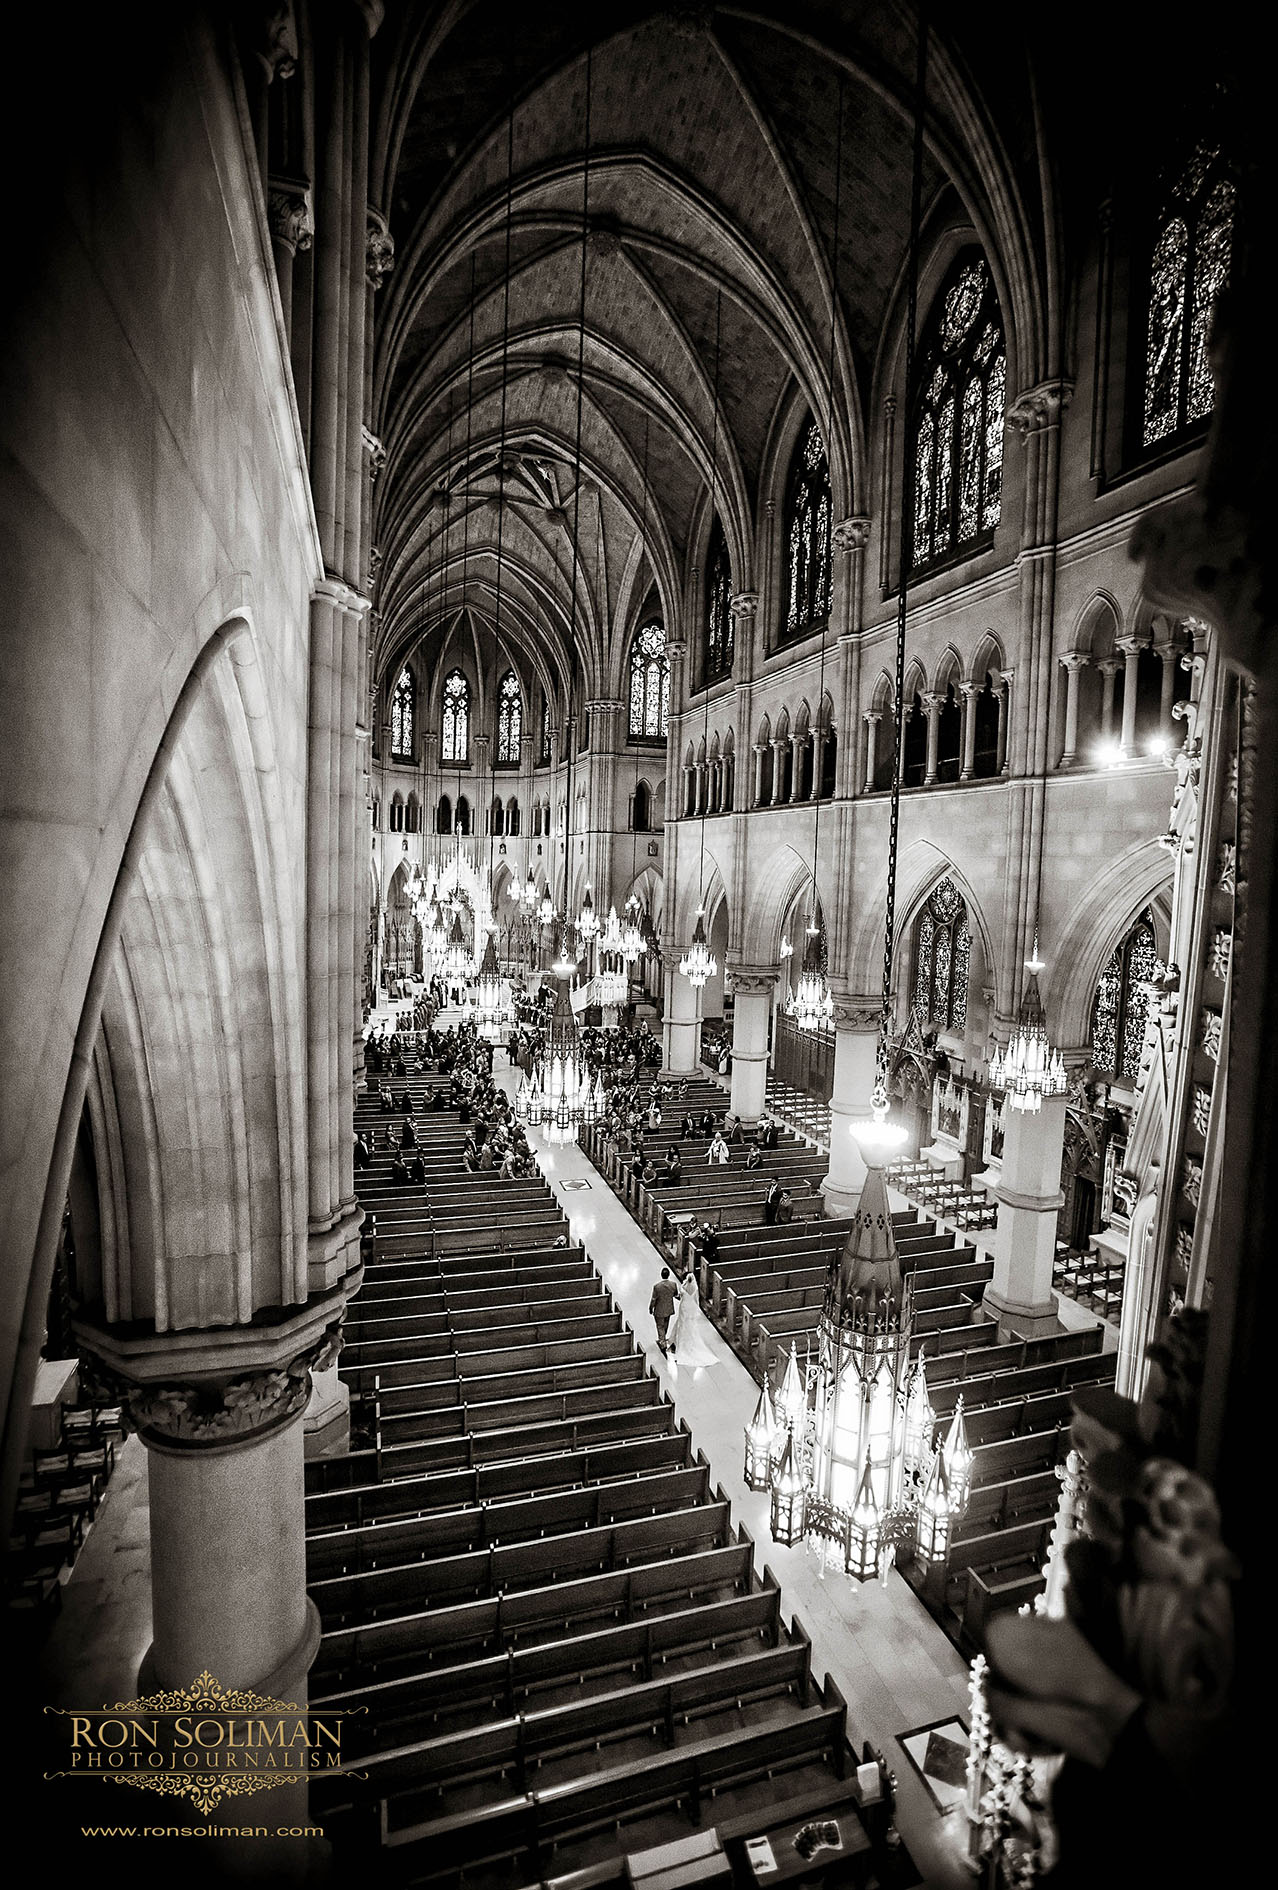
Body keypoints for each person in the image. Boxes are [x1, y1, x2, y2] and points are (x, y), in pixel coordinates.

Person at [668, 1267, 717, 1368]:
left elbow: (681, 1295)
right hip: (690, 1307)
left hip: (685, 1306)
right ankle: (678, 1342)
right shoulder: (694, 1287)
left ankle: (680, 1346)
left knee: (682, 1324)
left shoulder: (685, 1286)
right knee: (686, 1324)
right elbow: (695, 1300)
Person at [648, 1267, 679, 1355]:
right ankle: (663, 1338)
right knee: (665, 1324)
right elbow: (675, 1295)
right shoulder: (673, 1284)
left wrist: (651, 1308)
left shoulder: (657, 1287)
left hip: (659, 1309)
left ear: (661, 1275)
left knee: (660, 1326)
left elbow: (654, 1299)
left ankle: (662, 1342)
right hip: (668, 1309)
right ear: (668, 1275)